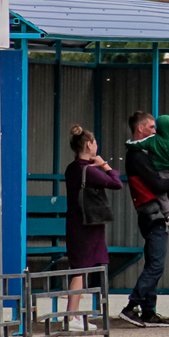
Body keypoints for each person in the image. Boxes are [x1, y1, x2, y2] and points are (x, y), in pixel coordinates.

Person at [119, 111, 169, 328]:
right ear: (140, 129)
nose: (156, 131)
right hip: (152, 214)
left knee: (153, 263)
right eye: (152, 127)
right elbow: (155, 182)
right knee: (156, 265)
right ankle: (131, 307)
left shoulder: (141, 152)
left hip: (151, 214)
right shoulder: (137, 155)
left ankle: (148, 311)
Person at [63, 125, 122, 317]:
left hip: (78, 224)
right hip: (86, 227)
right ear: (89, 145)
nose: (96, 145)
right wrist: (105, 165)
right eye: (95, 142)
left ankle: (75, 315)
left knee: (79, 269)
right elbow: (116, 183)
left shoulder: (72, 168)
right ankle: (72, 315)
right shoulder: (88, 170)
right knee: (79, 270)